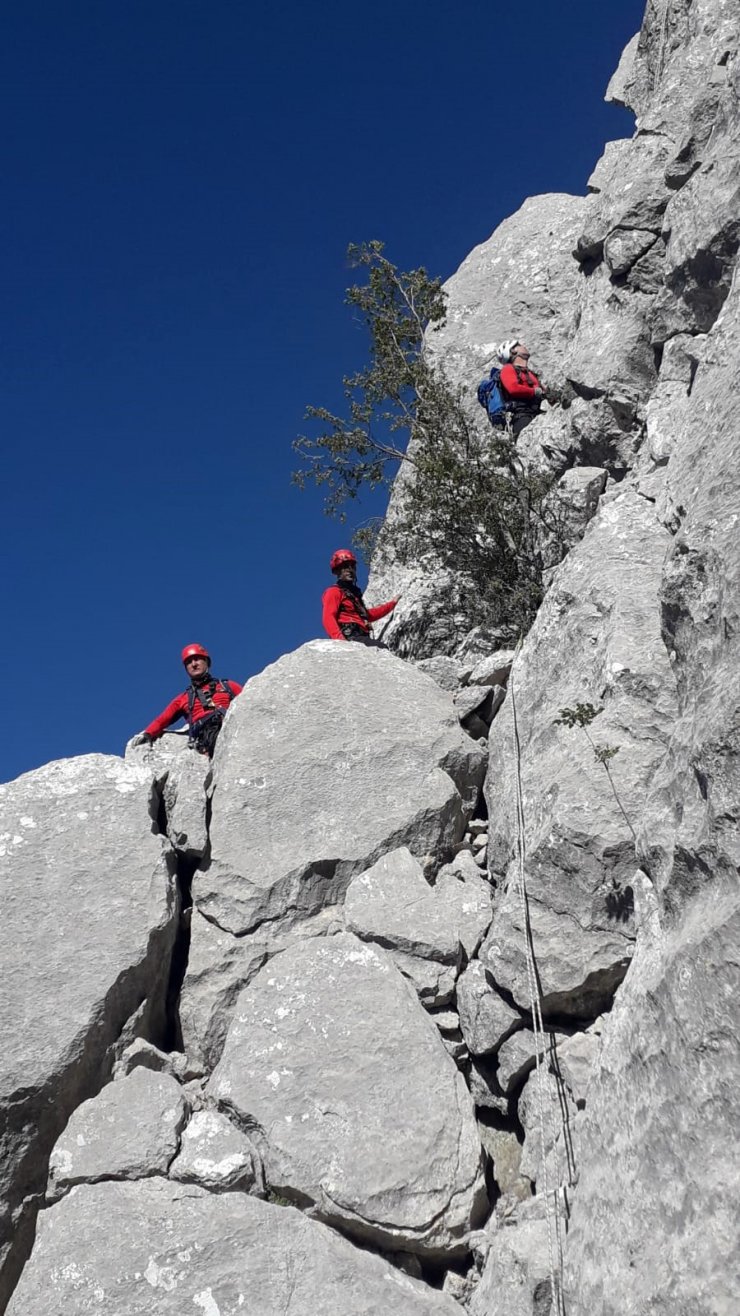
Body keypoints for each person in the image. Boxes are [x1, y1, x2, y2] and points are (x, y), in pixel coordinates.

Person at [131, 644, 243, 757]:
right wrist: (147, 733)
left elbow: (248, 703)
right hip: (206, 737)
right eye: (189, 662)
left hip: (232, 726)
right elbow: (163, 719)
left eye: (197, 659)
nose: (194, 664)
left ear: (206, 662)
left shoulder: (228, 686)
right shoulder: (183, 698)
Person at [322, 549, 399, 645]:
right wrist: (341, 641)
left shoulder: (354, 596)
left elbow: (369, 615)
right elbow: (328, 617)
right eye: (345, 567)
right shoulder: (334, 591)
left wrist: (392, 604)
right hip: (350, 637)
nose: (350, 570)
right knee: (381, 648)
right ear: (337, 571)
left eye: (352, 567)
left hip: (360, 636)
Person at [497, 339, 548, 437]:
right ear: (513, 351)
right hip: (521, 417)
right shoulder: (507, 369)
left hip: (535, 413)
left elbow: (543, 392)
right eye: (519, 345)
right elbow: (513, 389)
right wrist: (535, 392)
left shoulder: (530, 373)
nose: (523, 345)